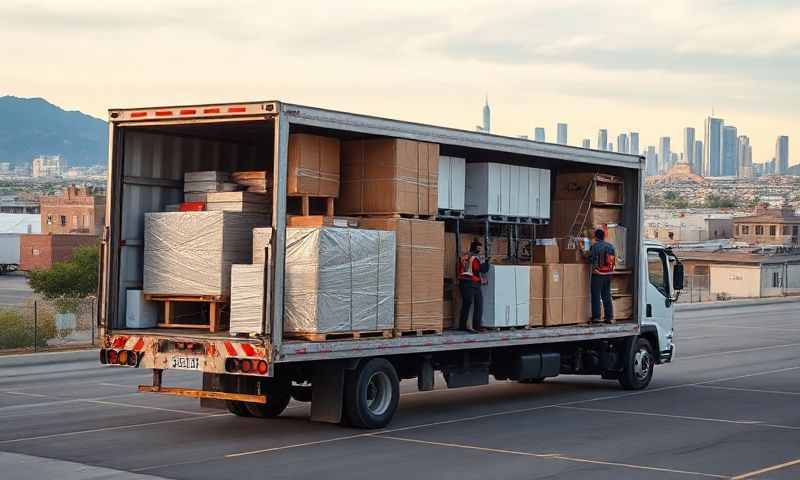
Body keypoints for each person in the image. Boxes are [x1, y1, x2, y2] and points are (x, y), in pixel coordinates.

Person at [457, 239, 490, 332]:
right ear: (476, 248)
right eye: (479, 248)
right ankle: (477, 326)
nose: (480, 250)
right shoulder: (475, 258)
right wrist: (487, 262)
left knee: (466, 305)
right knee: (478, 304)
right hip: (472, 283)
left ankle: (462, 326)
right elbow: (481, 269)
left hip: (463, 283)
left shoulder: (463, 256)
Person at [587, 228, 616, 324]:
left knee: (596, 295)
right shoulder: (611, 246)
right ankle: (609, 317)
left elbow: (590, 259)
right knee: (606, 295)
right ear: (604, 236)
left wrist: (584, 253)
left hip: (598, 274)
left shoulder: (595, 246)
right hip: (608, 274)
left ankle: (596, 317)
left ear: (596, 237)